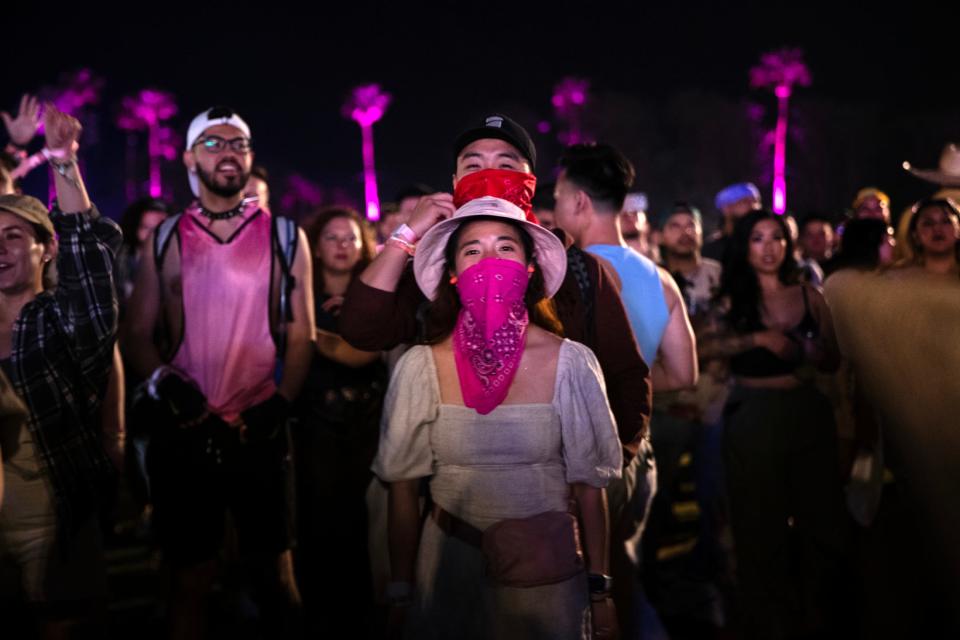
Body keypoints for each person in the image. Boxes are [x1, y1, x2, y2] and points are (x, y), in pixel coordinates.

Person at [374, 196, 623, 640]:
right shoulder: (421, 366)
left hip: (546, 579)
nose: (490, 260)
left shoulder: (572, 362)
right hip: (448, 569)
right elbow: (403, 490)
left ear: (529, 268)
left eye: (506, 247)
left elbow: (590, 490)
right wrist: (401, 591)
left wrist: (600, 593)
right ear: (453, 274)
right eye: (472, 250)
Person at [122, 106, 315, 639]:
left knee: (276, 577)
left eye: (238, 143)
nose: (228, 152)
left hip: (259, 427)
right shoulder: (163, 238)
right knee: (190, 580)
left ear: (250, 157)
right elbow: (135, 333)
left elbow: (303, 334)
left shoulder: (284, 235)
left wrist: (282, 401)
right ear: (188, 157)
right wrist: (166, 384)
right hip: (188, 433)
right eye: (213, 143)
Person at [0, 104, 122, 637]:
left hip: (60, 518)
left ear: (44, 249)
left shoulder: (60, 319)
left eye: (12, 237)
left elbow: (88, 263)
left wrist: (62, 162)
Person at [700, 210, 845, 638]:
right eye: (758, 238)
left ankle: (822, 616)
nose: (769, 247)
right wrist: (758, 339)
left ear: (789, 244)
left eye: (777, 238)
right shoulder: (732, 300)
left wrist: (817, 354)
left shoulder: (809, 295)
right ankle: (769, 621)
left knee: (822, 522)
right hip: (752, 412)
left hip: (806, 411)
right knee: (759, 525)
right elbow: (703, 345)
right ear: (745, 247)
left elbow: (836, 357)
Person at [294, 206, 386, 636]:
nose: (342, 245)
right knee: (317, 519)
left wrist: (310, 334)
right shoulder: (298, 292)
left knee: (362, 521)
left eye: (350, 237)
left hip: (366, 423)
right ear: (315, 245)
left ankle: (362, 613)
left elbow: (364, 352)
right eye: (331, 237)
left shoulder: (375, 294)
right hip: (312, 423)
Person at [552, 143, 697, 392]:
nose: (555, 209)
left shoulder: (564, 273)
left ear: (578, 201)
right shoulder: (662, 280)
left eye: (558, 198)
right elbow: (683, 376)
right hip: (635, 428)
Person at [889, 198, 959, 278]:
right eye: (928, 223)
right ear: (915, 235)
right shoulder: (898, 279)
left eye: (946, 221)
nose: (937, 228)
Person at [702, 182, 761, 262]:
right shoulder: (712, 249)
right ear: (727, 208)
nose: (754, 206)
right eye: (745, 201)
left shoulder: (761, 245)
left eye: (756, 201)